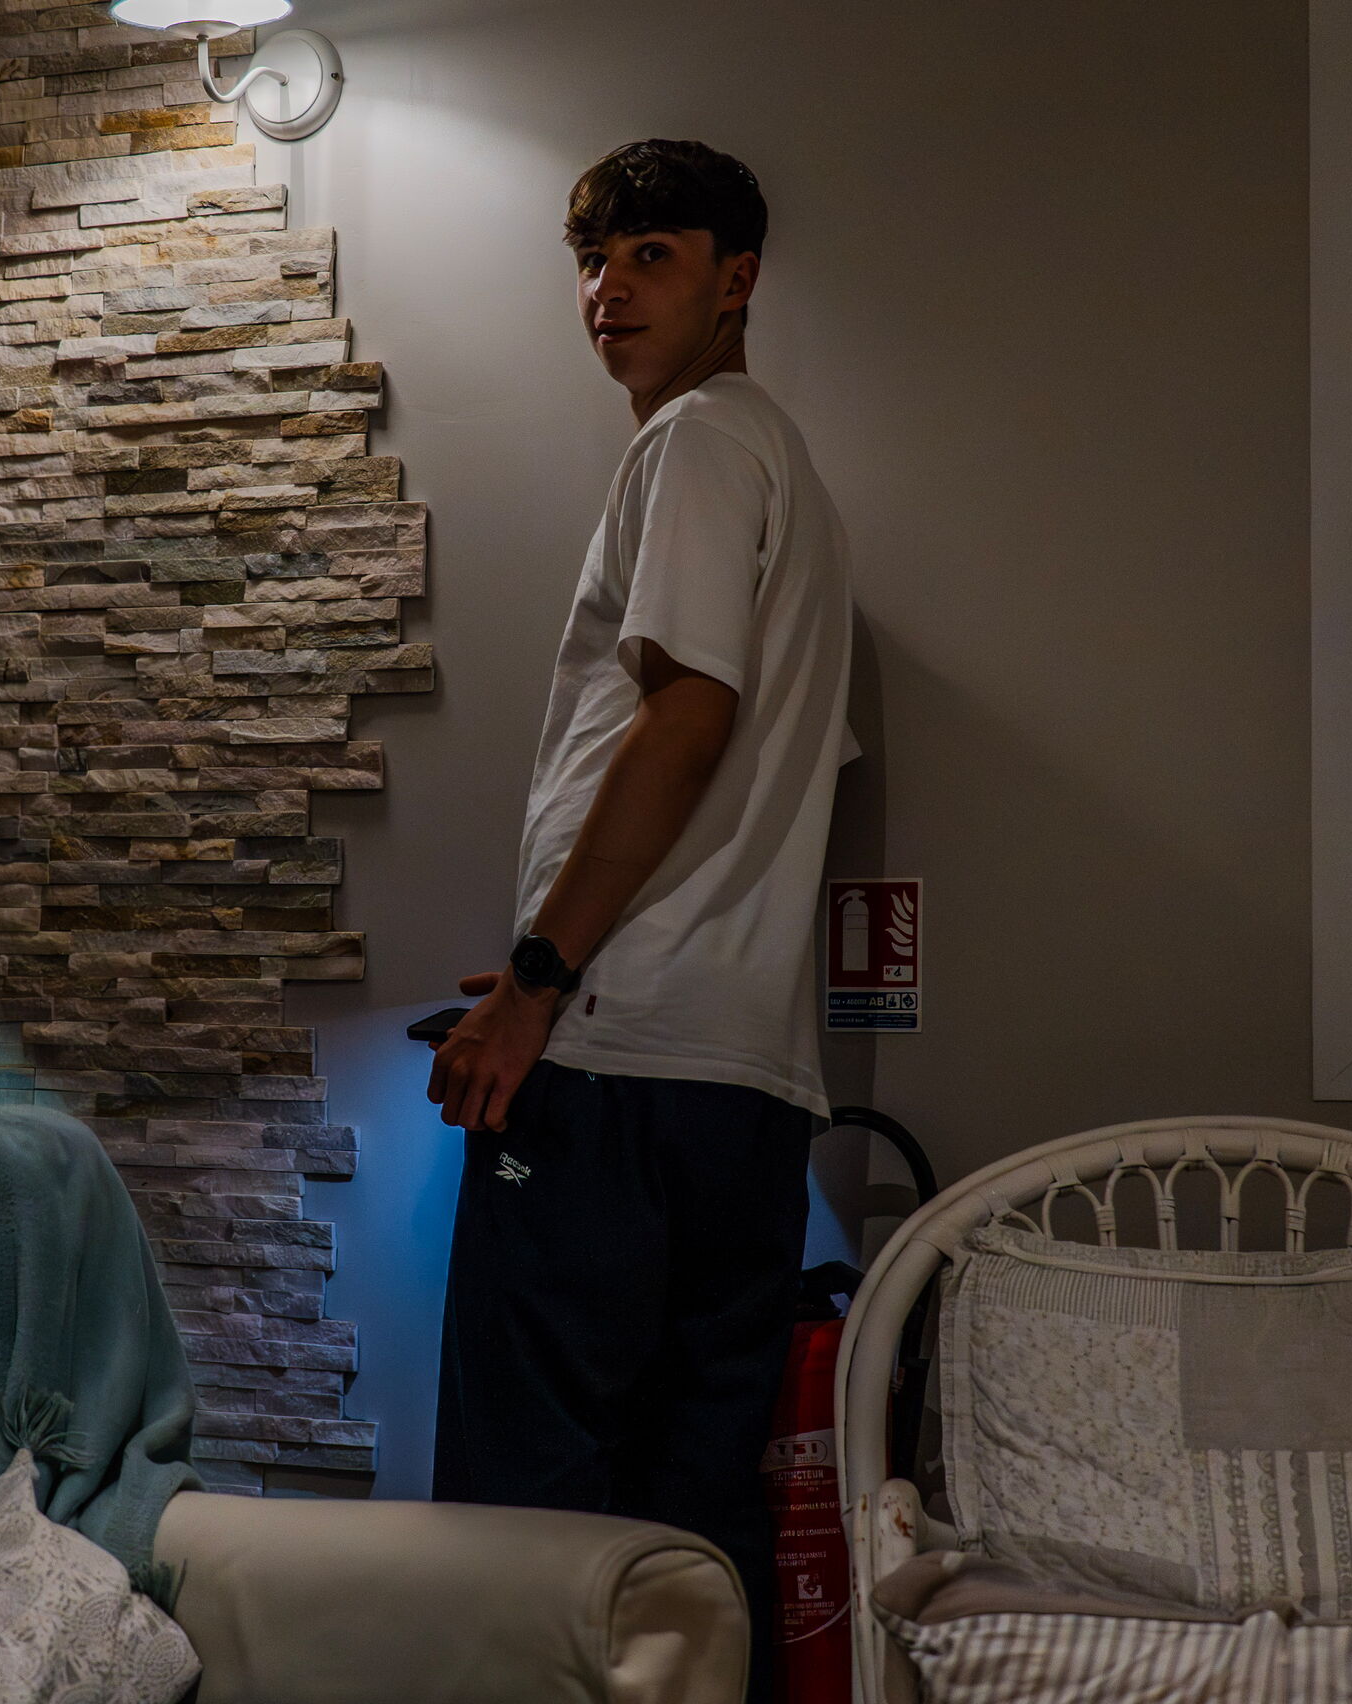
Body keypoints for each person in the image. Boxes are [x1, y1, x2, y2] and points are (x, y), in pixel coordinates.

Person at [429, 140, 853, 1691]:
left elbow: (686, 717)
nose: (609, 289)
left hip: (614, 1071)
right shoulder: (788, 471)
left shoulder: (699, 442)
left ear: (738, 279)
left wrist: (540, 982)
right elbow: (746, 782)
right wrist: (566, 957)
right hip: (741, 1082)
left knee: (525, 1518)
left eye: (651, 256)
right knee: (689, 1524)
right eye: (593, 263)